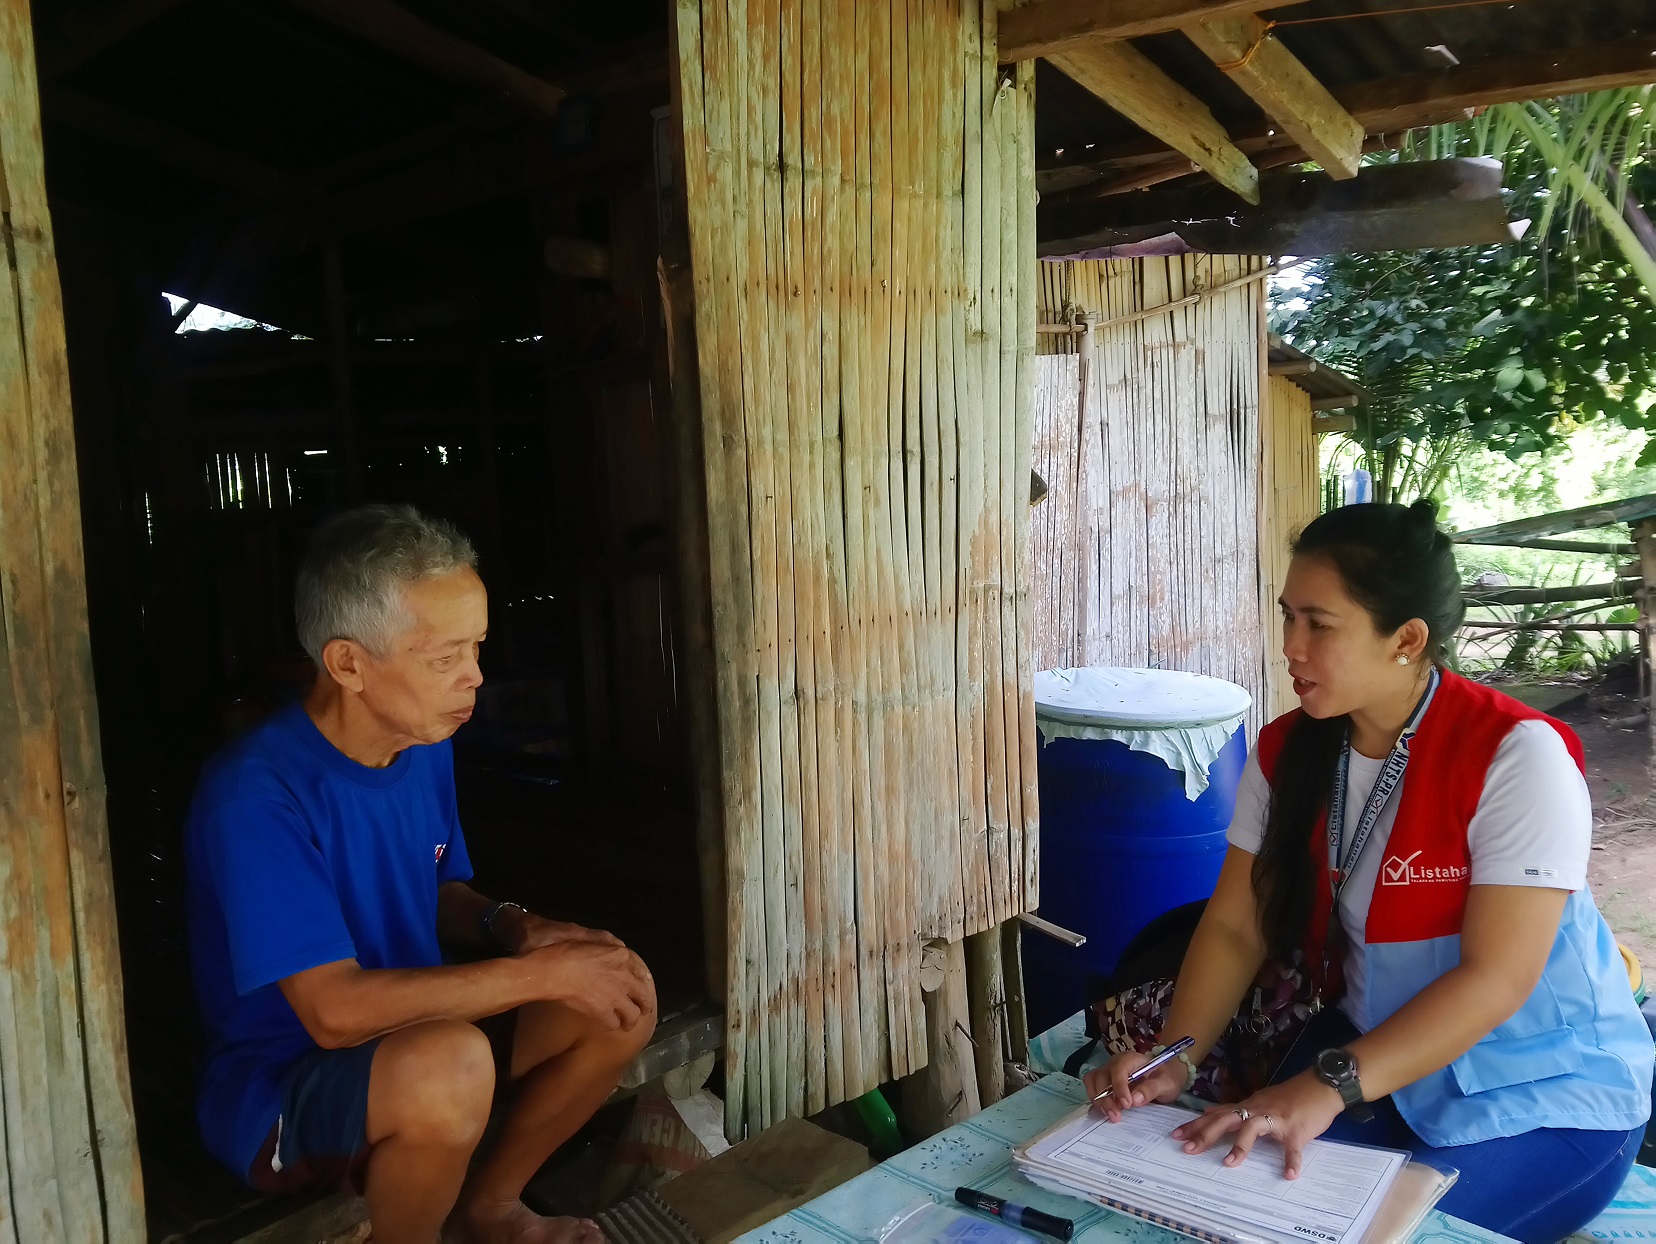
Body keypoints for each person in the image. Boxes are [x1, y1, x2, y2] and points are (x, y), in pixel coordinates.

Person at [1084, 500, 1652, 1243]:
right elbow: (1233, 924)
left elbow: (1497, 979)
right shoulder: (1290, 752)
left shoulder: (1515, 756)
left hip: (1544, 1093)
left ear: (1407, 640)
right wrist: (1176, 1058)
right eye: (1287, 616)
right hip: (1383, 1059)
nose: (1290, 645)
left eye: (1319, 625)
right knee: (1228, 1209)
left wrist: (1325, 1084)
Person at [186, 504, 657, 1244]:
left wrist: (518, 928)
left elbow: (440, 892)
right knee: (454, 1066)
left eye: (475, 647)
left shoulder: (422, 740)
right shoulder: (256, 795)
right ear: (348, 664)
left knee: (620, 992)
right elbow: (332, 1013)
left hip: (425, 1034)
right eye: (444, 658)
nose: (473, 678)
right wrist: (541, 977)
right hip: (285, 1084)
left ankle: (491, 1206)